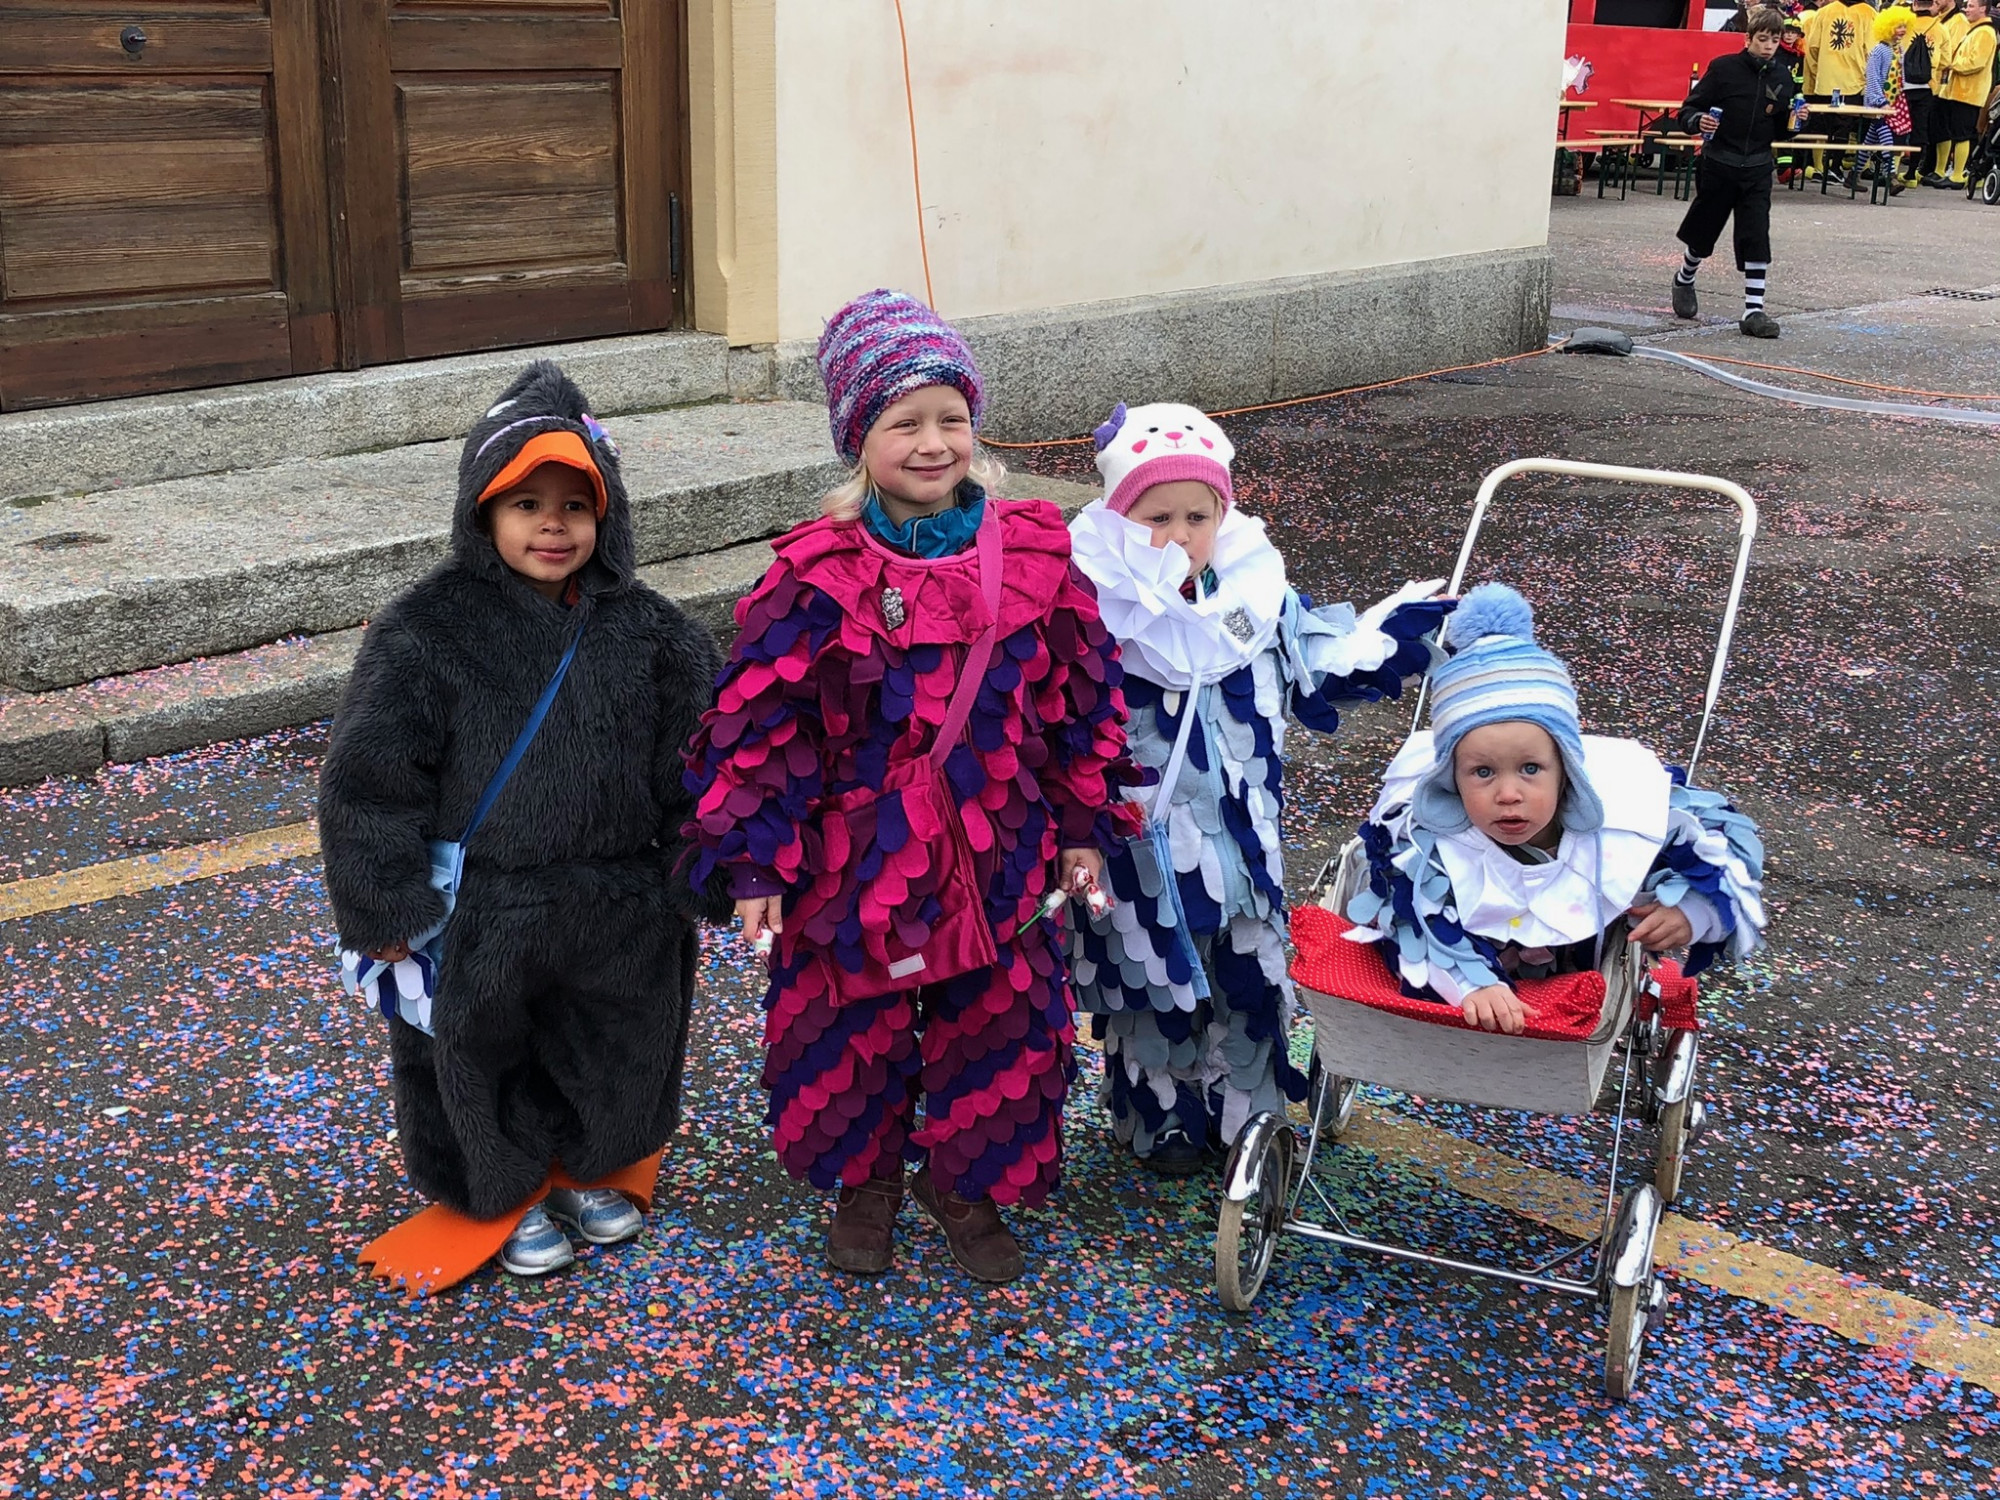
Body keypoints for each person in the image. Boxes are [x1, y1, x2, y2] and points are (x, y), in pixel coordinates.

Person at [683, 289, 1141, 1283]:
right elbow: (763, 729)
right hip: (856, 860)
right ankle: (870, 1182)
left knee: (1000, 1023)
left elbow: (1078, 702)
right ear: (859, 437)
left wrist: (1080, 826)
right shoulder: (813, 575)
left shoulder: (1034, 556)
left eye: (951, 418)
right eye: (904, 423)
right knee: (854, 1025)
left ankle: (963, 1183)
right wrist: (755, 864)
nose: (933, 443)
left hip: (999, 848)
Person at [319, 361, 726, 1289]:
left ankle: (587, 1165)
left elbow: (698, 765)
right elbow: (371, 778)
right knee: (475, 1045)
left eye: (576, 505)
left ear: (608, 516)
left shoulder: (656, 633)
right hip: (484, 898)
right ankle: (500, 1188)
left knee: (617, 1036)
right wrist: (383, 902)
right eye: (527, 504)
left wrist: (699, 864)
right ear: (482, 513)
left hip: (618, 891)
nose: (554, 525)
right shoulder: (425, 631)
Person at [1062, 404, 1451, 1172]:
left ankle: (1249, 1111)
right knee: (1152, 985)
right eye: (1157, 518)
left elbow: (1319, 667)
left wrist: (1392, 639)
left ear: (1223, 516)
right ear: (1118, 519)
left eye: (1197, 516)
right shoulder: (1093, 610)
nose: (1180, 535)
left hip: (1242, 855)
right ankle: (1161, 1117)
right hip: (1140, 858)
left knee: (1248, 976)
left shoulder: (1253, 595)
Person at [1341, 586, 1767, 1037]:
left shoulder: (1624, 817)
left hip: (1582, 980)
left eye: (1531, 769)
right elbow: (1409, 919)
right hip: (1476, 996)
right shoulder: (1426, 841)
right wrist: (1470, 982)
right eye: (1482, 772)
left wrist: (1695, 910)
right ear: (1451, 779)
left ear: (1566, 771)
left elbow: (1723, 848)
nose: (1508, 794)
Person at [1672, 6, 1809, 340]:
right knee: (1703, 232)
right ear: (1747, 38)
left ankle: (1753, 310)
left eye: (1774, 40)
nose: (1768, 46)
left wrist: (1797, 123)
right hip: (1719, 163)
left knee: (1755, 234)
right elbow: (1687, 109)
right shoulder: (1723, 69)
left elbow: (1781, 128)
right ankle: (1684, 278)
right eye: (1762, 39)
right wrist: (1698, 121)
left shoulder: (1783, 77)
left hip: (1758, 167)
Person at [1808, 0, 1881, 176]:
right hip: (1852, 81)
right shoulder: (1869, 14)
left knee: (1824, 125)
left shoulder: (1824, 12)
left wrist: (1818, 71)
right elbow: (1872, 51)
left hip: (1826, 80)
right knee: (1844, 125)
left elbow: (1813, 47)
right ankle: (1835, 166)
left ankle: (1820, 166)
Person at [1935, 0, 1996, 184]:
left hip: (1969, 93)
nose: (1966, 9)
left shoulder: (1985, 32)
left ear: (1983, 9)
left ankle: (1958, 175)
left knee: (1963, 134)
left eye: (1971, 6)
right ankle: (1946, 171)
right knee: (1953, 131)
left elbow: (1976, 62)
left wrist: (1951, 65)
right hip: (1959, 91)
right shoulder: (1975, 29)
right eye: (1967, 5)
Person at [1858, 8, 1915, 193]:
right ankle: (1891, 176)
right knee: (1886, 137)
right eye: (1898, 26)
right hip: (1879, 103)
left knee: (1870, 141)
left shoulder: (1898, 49)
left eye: (1904, 26)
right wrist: (1879, 101)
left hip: (1893, 101)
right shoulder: (1879, 51)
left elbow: (1900, 76)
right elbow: (1873, 77)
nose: (1902, 30)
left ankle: (1853, 175)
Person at [1925, 0, 1970, 180]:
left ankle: (1940, 169)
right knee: (1932, 127)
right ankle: (1928, 167)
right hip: (1932, 81)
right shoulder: (1938, 17)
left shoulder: (1959, 21)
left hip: (1944, 83)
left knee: (1941, 127)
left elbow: (1952, 54)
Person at [1902, 1, 1942, 185]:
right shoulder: (1940, 28)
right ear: (1932, 4)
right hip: (1927, 86)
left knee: (1898, 127)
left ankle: (1891, 171)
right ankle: (1911, 174)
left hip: (1903, 84)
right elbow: (1946, 59)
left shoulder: (1904, 24)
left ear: (1915, 4)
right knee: (1920, 130)